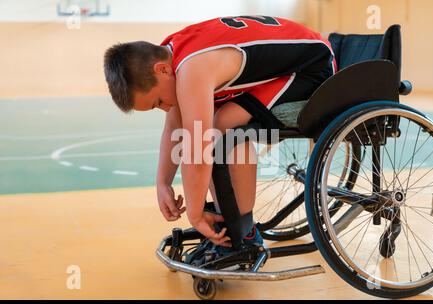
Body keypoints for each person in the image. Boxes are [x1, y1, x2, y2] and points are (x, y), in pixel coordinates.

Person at [103, 15, 335, 250]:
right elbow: (175, 127)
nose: (165, 107)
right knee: (217, 124)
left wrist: (195, 214)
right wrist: (163, 183)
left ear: (162, 70)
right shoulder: (171, 56)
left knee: (226, 125)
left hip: (312, 69)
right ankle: (229, 217)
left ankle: (244, 231)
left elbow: (197, 150)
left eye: (159, 101)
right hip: (290, 62)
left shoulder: (192, 68)